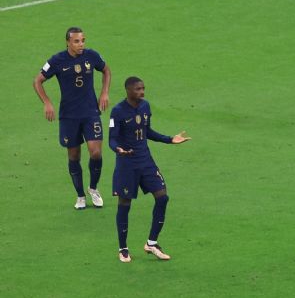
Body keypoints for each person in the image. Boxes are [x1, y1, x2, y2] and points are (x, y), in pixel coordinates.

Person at [109, 77, 190, 263]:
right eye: (138, 89)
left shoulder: (145, 107)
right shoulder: (118, 111)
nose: (142, 92)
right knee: (124, 204)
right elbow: (112, 139)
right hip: (126, 164)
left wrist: (170, 139)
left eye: (143, 88)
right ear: (128, 90)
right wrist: (118, 149)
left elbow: (148, 132)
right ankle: (123, 248)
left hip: (145, 161)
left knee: (162, 197)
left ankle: (152, 243)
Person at [34, 27, 112, 210]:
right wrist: (47, 102)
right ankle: (80, 196)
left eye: (83, 40)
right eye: (77, 41)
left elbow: (106, 71)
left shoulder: (92, 56)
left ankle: (93, 188)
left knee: (96, 152)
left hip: (90, 113)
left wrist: (104, 93)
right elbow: (37, 80)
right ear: (68, 42)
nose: (81, 44)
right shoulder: (57, 60)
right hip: (69, 116)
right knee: (74, 155)